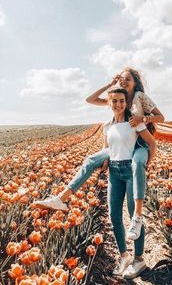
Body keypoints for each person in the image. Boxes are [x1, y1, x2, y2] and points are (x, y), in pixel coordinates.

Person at [34, 67, 164, 242]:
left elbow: (160, 117)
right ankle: (60, 199)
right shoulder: (117, 98)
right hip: (119, 143)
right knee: (89, 160)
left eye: (128, 79)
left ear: (135, 82)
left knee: (137, 164)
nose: (124, 81)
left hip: (138, 143)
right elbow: (90, 99)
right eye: (121, 79)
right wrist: (109, 84)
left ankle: (137, 219)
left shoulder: (140, 97)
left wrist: (144, 119)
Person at [103, 87, 156, 278]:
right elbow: (106, 150)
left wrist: (144, 165)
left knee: (135, 217)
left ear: (126, 103)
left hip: (130, 171)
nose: (118, 104)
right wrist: (104, 162)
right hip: (114, 173)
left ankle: (139, 259)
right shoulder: (106, 126)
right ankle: (124, 255)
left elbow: (151, 143)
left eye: (121, 101)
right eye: (114, 101)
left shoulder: (133, 122)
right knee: (114, 215)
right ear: (109, 103)